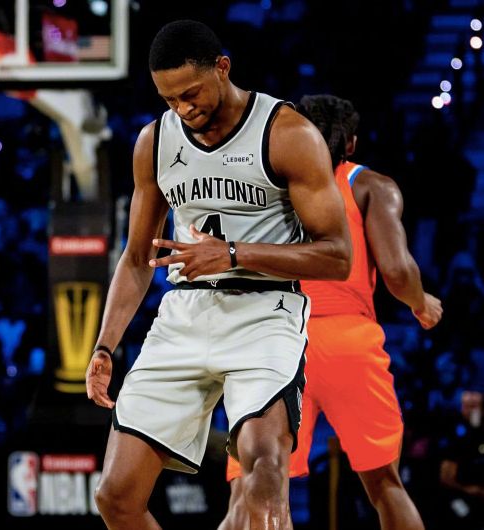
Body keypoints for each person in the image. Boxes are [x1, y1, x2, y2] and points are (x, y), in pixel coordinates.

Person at [85, 21, 352, 530]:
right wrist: (104, 346)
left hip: (265, 312)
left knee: (265, 473)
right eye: (169, 99)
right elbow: (137, 258)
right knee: (115, 496)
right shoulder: (154, 142)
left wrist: (231, 254)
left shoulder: (287, 133)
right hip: (183, 314)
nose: (183, 109)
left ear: (222, 68)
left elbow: (337, 257)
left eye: (190, 93)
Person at [220, 94, 443, 530]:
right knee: (385, 484)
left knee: (252, 488)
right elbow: (398, 272)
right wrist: (422, 304)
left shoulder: (265, 186)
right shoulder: (370, 185)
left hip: (275, 339)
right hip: (348, 342)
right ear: (352, 143)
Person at [438, 389, 484, 530]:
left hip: (479, 493)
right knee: (466, 518)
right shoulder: (454, 433)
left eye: (475, 407)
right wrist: (469, 490)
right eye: (467, 406)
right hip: (457, 494)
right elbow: (446, 478)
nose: (471, 411)